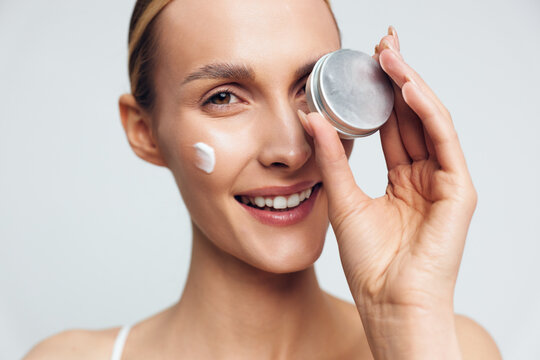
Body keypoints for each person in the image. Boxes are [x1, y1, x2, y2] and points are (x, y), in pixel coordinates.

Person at [24, 0, 502, 358]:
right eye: (224, 97)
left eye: (312, 86)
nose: (291, 150)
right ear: (145, 132)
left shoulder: (453, 347)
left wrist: (405, 324)